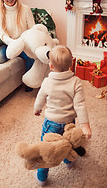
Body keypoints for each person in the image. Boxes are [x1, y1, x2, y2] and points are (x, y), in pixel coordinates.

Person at [34, 45, 92, 186]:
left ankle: (42, 177)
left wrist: (37, 109)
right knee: (68, 143)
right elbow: (80, 105)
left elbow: (40, 98)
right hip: (69, 123)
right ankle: (69, 161)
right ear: (71, 63)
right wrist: (85, 126)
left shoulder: (47, 82)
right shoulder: (76, 82)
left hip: (51, 123)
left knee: (46, 150)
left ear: (51, 66)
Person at [0, 0, 35, 91]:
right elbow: (1, 33)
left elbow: (32, 29)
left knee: (32, 56)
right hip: (9, 44)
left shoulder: (25, 9)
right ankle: (17, 54)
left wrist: (22, 43)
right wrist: (13, 43)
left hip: (24, 43)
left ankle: (28, 83)